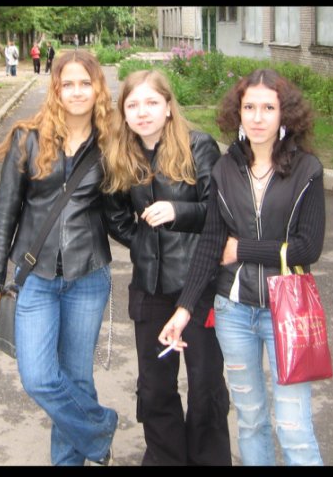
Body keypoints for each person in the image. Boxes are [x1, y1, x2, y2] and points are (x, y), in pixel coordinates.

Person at [158, 68, 326, 466]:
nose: (258, 117)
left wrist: (243, 249)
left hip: (288, 311)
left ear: (285, 114)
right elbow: (211, 245)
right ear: (238, 113)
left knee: (294, 428)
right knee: (250, 422)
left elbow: (308, 247)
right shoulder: (224, 169)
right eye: (249, 107)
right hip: (233, 312)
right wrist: (183, 310)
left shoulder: (307, 169)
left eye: (268, 107)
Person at [0, 50, 118, 466]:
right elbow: (5, 215)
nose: (77, 92)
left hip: (88, 276)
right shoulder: (28, 138)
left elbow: (121, 211)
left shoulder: (110, 142)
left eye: (85, 83)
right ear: (55, 88)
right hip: (35, 276)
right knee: (38, 377)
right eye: (67, 83)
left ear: (98, 88)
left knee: (76, 378)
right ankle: (99, 428)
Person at [102, 69, 232, 466]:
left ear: (169, 107)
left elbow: (219, 213)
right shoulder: (120, 154)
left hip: (199, 284)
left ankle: (208, 459)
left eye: (151, 103)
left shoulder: (199, 146)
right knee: (155, 386)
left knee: (205, 384)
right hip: (149, 287)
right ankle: (166, 457)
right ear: (123, 113)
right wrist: (145, 245)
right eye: (133, 105)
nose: (142, 112)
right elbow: (115, 216)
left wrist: (178, 212)